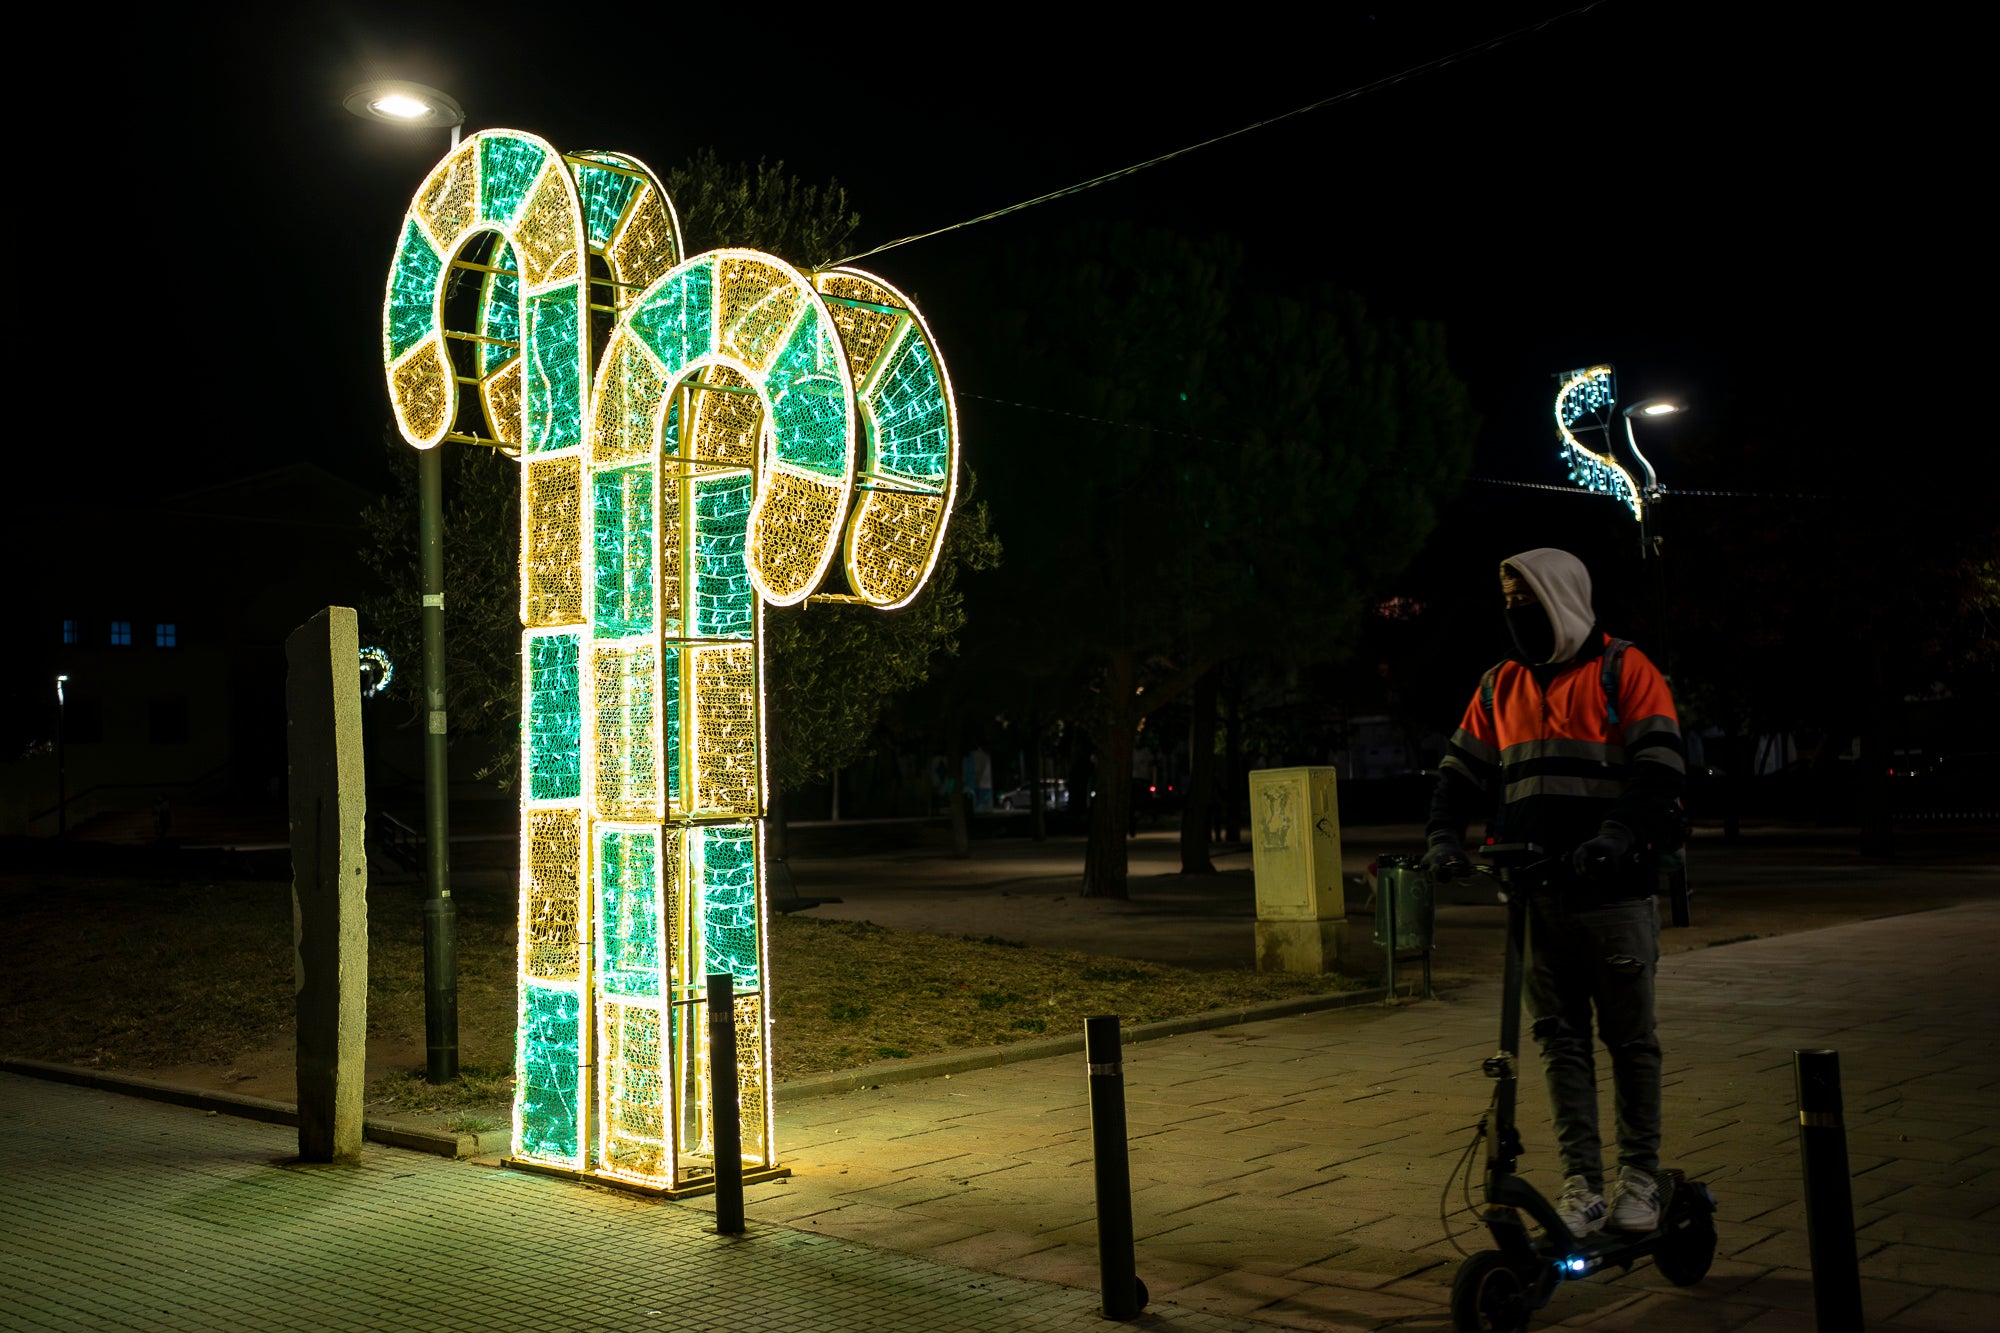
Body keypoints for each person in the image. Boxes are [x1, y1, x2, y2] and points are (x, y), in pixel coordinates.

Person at [1424, 548, 1684, 1237]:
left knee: (1630, 1041)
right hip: (1536, 900)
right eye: (1507, 602)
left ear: (1561, 597)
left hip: (1614, 896)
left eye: (1526, 600)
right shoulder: (1498, 685)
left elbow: (1659, 771)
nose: (1515, 614)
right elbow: (1457, 774)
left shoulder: (1624, 670)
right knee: (1558, 1042)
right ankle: (1583, 1184)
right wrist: (1443, 839)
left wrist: (1618, 835)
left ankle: (1639, 1178)